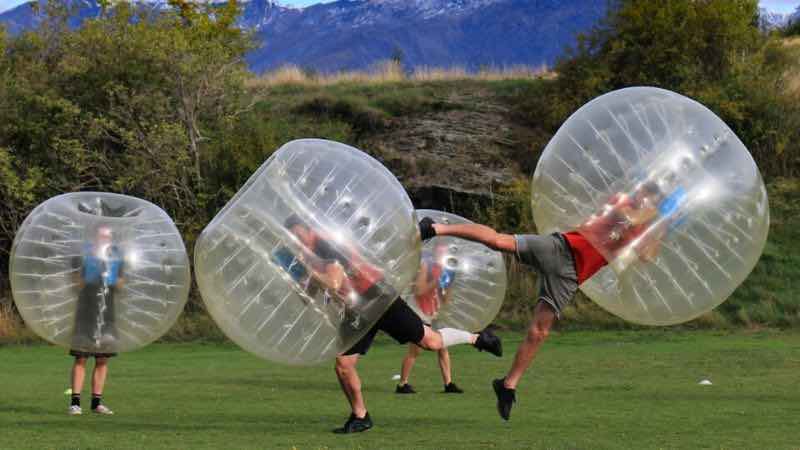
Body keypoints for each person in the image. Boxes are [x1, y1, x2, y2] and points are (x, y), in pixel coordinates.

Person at [418, 182, 668, 421]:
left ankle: (507, 386)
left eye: (650, 198)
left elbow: (646, 255)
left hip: (571, 276)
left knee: (539, 332)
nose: (645, 199)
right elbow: (626, 216)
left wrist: (661, 226)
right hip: (559, 247)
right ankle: (436, 228)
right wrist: (654, 214)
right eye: (646, 194)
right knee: (497, 240)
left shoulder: (644, 225)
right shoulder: (622, 202)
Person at [282, 215, 502, 433]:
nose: (297, 240)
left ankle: (477, 338)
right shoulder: (308, 253)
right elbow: (313, 293)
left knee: (431, 342)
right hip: (355, 310)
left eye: (298, 234)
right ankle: (360, 416)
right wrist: (300, 282)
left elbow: (333, 282)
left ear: (309, 230)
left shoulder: (325, 245)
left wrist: (307, 270)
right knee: (344, 366)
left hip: (377, 297)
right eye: (293, 237)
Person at [68, 225, 122, 416]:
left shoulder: (116, 257)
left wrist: (110, 278)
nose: (105, 239)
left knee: (102, 359)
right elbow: (75, 283)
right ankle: (75, 403)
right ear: (95, 237)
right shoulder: (83, 256)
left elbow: (122, 284)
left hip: (107, 312)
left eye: (108, 236)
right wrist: (93, 274)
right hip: (85, 311)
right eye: (101, 236)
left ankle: (96, 403)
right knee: (81, 356)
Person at [396, 244, 463, 394]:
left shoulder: (446, 271)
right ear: (435, 254)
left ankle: (448, 384)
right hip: (419, 311)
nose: (442, 257)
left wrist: (447, 289)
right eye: (440, 254)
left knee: (443, 347)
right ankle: (402, 384)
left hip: (434, 311)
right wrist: (437, 280)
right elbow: (419, 290)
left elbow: (444, 296)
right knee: (415, 350)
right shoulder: (425, 266)